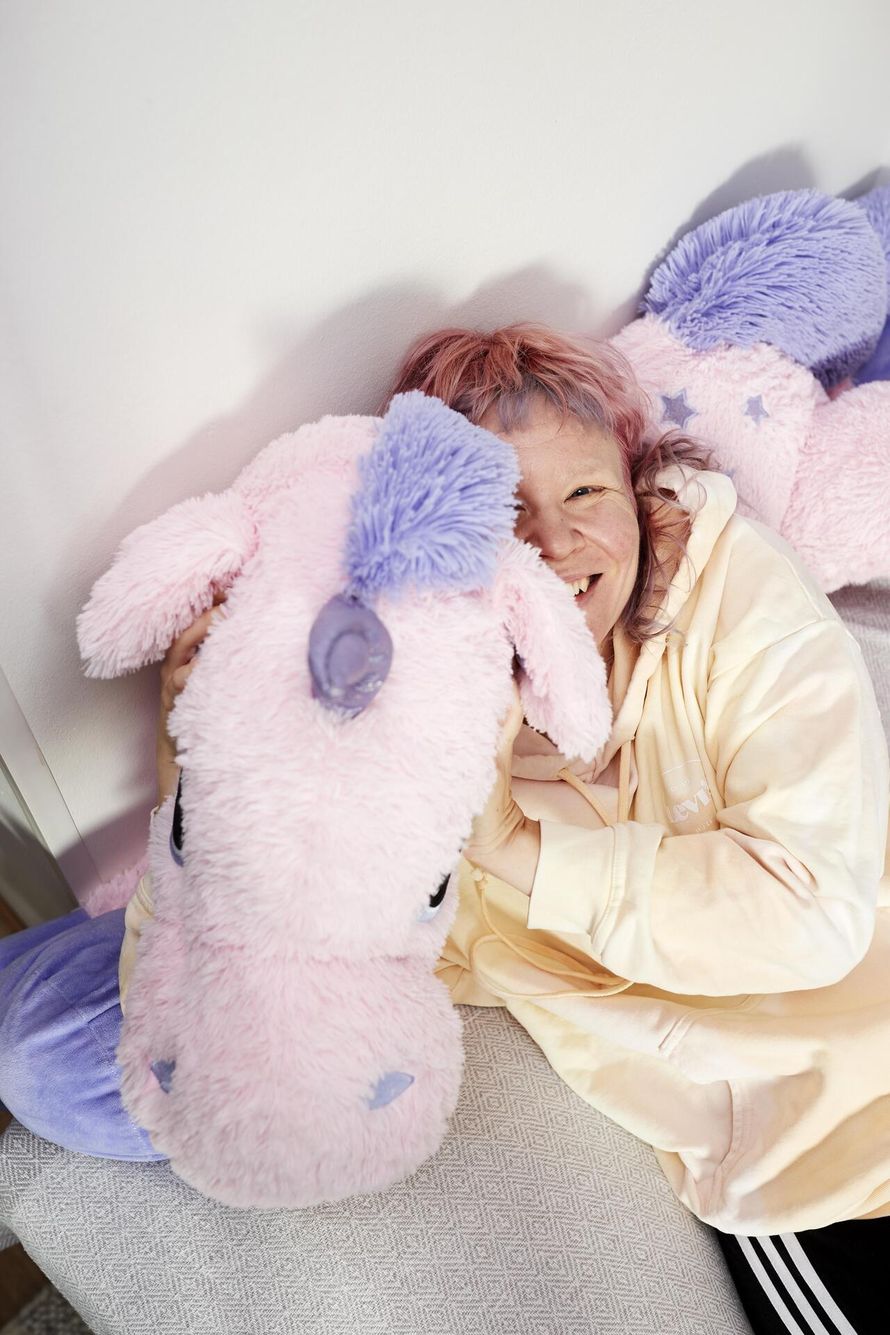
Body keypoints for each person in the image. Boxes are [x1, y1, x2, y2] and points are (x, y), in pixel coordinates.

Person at [1, 323, 888, 1334]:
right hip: (827, 1170)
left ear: (638, 486)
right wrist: (190, 765)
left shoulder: (732, 590)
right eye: (507, 513)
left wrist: (524, 849)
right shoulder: (416, 741)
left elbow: (813, 915)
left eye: (586, 492)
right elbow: (195, 999)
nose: (556, 543)